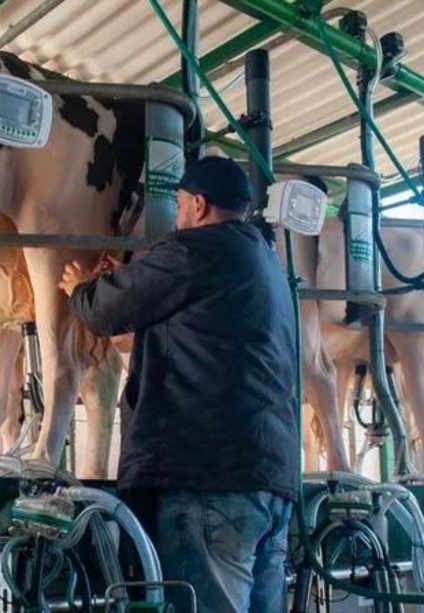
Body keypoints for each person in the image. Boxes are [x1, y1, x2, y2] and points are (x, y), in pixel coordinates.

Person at [59, 156, 299, 612]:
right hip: (269, 480)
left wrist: (79, 288)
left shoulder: (195, 251)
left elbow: (105, 313)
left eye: (180, 204)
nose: (178, 215)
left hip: (207, 481)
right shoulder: (266, 263)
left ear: (199, 205)